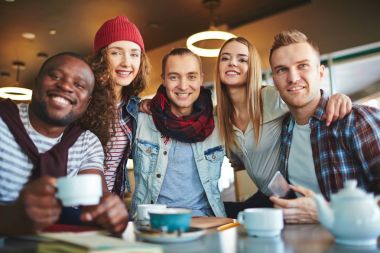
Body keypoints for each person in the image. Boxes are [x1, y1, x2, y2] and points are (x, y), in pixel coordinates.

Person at [214, 37, 353, 218]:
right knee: (214, 210)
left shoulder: (273, 98)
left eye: (242, 59)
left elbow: (306, 99)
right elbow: (239, 161)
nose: (232, 63)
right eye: (225, 58)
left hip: (290, 194)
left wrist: (337, 97)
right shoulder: (219, 116)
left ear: (253, 68)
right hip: (267, 194)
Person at [0, 53, 128, 235]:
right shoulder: (2, 122)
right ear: (37, 83)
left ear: (87, 102)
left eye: (79, 85)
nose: (66, 86)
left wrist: (110, 213)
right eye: (55, 76)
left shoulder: (86, 142)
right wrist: (14, 216)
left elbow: (96, 199)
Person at [268, 29, 380, 223]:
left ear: (320, 73)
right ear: (275, 81)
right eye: (281, 70)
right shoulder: (283, 130)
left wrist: (326, 212)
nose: (293, 78)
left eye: (302, 66)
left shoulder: (358, 120)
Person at [131, 48, 226, 217]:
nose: (183, 86)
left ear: (201, 79)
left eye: (191, 76)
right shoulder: (141, 120)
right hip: (151, 222)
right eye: (174, 77)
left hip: (206, 222)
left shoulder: (219, 124)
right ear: (164, 80)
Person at [79, 16, 150, 198]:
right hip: (74, 205)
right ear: (101, 58)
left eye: (134, 54)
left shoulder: (133, 108)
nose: (127, 62)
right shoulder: (81, 101)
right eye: (116, 52)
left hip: (111, 207)